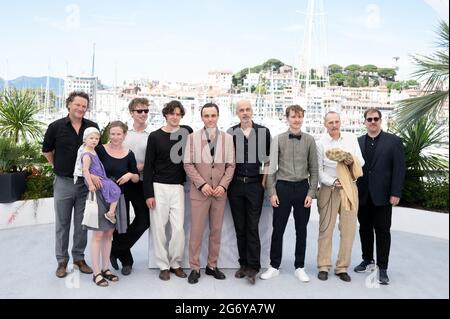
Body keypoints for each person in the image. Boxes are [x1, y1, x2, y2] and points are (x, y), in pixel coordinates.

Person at [42, 91, 97, 278]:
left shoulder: (92, 127)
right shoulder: (56, 127)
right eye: (77, 105)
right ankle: (62, 261)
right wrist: (56, 165)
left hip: (85, 183)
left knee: (82, 223)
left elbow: (97, 153)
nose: (81, 108)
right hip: (64, 182)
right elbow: (47, 150)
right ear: (69, 105)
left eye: (84, 106)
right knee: (62, 223)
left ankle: (79, 258)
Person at [261, 105, 318, 283]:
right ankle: (274, 266)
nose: (297, 120)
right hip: (282, 188)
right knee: (278, 229)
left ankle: (299, 267)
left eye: (300, 117)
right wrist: (272, 192)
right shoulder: (278, 139)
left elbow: (314, 169)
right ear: (287, 118)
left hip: (302, 188)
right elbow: (270, 168)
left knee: (301, 230)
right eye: (293, 116)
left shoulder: (310, 140)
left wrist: (311, 192)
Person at [183, 103, 235, 284]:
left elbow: (231, 165)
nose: (210, 119)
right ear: (201, 117)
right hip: (200, 193)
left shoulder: (228, 139)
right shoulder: (192, 138)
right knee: (196, 231)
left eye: (213, 115)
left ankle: (212, 266)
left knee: (216, 231)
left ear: (218, 116)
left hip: (219, 193)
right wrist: (201, 184)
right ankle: (194, 267)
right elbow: (188, 164)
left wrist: (223, 186)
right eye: (206, 116)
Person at [354, 108, 405, 285]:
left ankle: (383, 268)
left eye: (376, 119)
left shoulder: (394, 142)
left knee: (383, 232)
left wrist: (396, 193)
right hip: (362, 195)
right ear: (365, 122)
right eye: (370, 119)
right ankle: (367, 259)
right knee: (364, 229)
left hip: (383, 196)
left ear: (380, 121)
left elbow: (399, 170)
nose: (373, 122)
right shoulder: (357, 142)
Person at [143, 100, 193, 281]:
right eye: (172, 113)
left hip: (178, 187)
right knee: (158, 228)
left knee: (178, 229)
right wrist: (148, 193)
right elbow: (148, 166)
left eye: (178, 114)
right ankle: (163, 266)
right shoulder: (155, 136)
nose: (175, 117)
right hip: (158, 187)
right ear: (166, 115)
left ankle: (175, 263)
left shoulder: (186, 133)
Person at [316, 111, 364, 282]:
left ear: (340, 122)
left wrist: (351, 160)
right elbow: (318, 170)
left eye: (337, 121)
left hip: (349, 187)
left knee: (348, 230)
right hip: (329, 189)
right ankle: (323, 266)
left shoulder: (351, 138)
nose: (334, 125)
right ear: (325, 124)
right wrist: (332, 182)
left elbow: (362, 161)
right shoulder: (320, 143)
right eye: (330, 122)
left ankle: (342, 267)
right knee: (326, 229)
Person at [227, 100, 271, 284]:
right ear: (237, 113)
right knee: (240, 227)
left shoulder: (263, 132)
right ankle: (243, 264)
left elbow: (267, 161)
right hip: (235, 185)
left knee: (252, 226)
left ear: (252, 111)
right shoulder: (230, 133)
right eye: (241, 110)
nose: (245, 113)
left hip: (255, 185)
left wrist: (263, 183)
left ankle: (253, 267)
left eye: (247, 109)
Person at [109, 98, 151, 276]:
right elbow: (112, 153)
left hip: (138, 182)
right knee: (121, 222)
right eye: (139, 111)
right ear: (131, 113)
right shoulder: (124, 134)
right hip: (118, 184)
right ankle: (126, 261)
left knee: (144, 220)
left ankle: (116, 248)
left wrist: (132, 171)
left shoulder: (151, 136)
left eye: (145, 111)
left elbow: (150, 162)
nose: (142, 114)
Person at [76, 127, 121, 286]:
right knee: (98, 235)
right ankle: (96, 272)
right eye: (91, 138)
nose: (94, 141)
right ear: (85, 139)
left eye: (96, 138)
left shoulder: (96, 152)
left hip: (105, 190)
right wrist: (90, 184)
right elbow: (85, 171)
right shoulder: (86, 154)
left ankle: (105, 268)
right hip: (98, 194)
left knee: (109, 234)